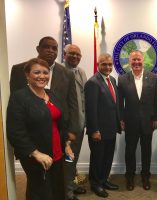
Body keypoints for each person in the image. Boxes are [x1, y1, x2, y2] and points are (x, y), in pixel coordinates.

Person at [6, 58, 74, 200]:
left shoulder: (52, 94)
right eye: (37, 72)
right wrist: (36, 154)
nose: (42, 76)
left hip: (57, 152)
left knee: (57, 189)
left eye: (45, 72)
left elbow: (61, 123)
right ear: (27, 75)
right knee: (41, 192)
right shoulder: (19, 97)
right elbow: (16, 132)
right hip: (36, 156)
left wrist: (66, 145)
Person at [10, 36, 78, 142]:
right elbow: (14, 105)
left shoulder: (68, 74)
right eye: (46, 47)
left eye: (54, 48)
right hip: (30, 131)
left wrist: (73, 130)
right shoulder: (19, 70)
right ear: (38, 49)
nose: (51, 51)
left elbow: (73, 103)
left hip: (59, 130)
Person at [118, 50, 157, 191]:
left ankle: (145, 176)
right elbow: (120, 103)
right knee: (129, 151)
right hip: (130, 122)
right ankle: (129, 176)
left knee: (146, 150)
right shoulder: (122, 79)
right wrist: (121, 119)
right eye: (133, 60)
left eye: (139, 59)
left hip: (148, 122)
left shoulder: (154, 78)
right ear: (129, 62)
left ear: (143, 61)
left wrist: (156, 118)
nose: (136, 62)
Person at [85, 53, 121, 198]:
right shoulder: (92, 82)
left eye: (109, 64)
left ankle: (104, 180)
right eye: (104, 64)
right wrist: (94, 130)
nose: (107, 67)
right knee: (97, 158)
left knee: (107, 157)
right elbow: (91, 109)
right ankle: (95, 184)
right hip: (98, 130)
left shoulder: (112, 79)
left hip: (111, 128)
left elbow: (115, 103)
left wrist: (120, 121)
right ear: (98, 65)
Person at [63, 44, 87, 200]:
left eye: (78, 54)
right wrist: (68, 128)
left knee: (74, 158)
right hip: (69, 127)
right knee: (68, 159)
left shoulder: (81, 72)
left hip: (81, 124)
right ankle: (66, 193)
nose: (75, 57)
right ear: (64, 54)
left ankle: (71, 184)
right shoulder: (60, 72)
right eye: (71, 53)